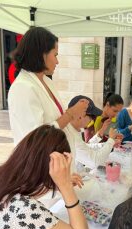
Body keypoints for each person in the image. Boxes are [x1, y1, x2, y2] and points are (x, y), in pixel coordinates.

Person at [8, 27, 88, 158]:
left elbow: (57, 122)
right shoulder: (23, 88)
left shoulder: (46, 81)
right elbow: (36, 139)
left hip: (58, 164)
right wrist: (71, 114)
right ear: (41, 54)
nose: (57, 61)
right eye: (55, 55)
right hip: (40, 168)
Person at [68, 95, 122, 169]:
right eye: (92, 117)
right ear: (80, 116)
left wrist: (107, 141)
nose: (91, 120)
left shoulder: (73, 131)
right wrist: (111, 140)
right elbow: (95, 162)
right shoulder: (70, 136)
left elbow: (87, 146)